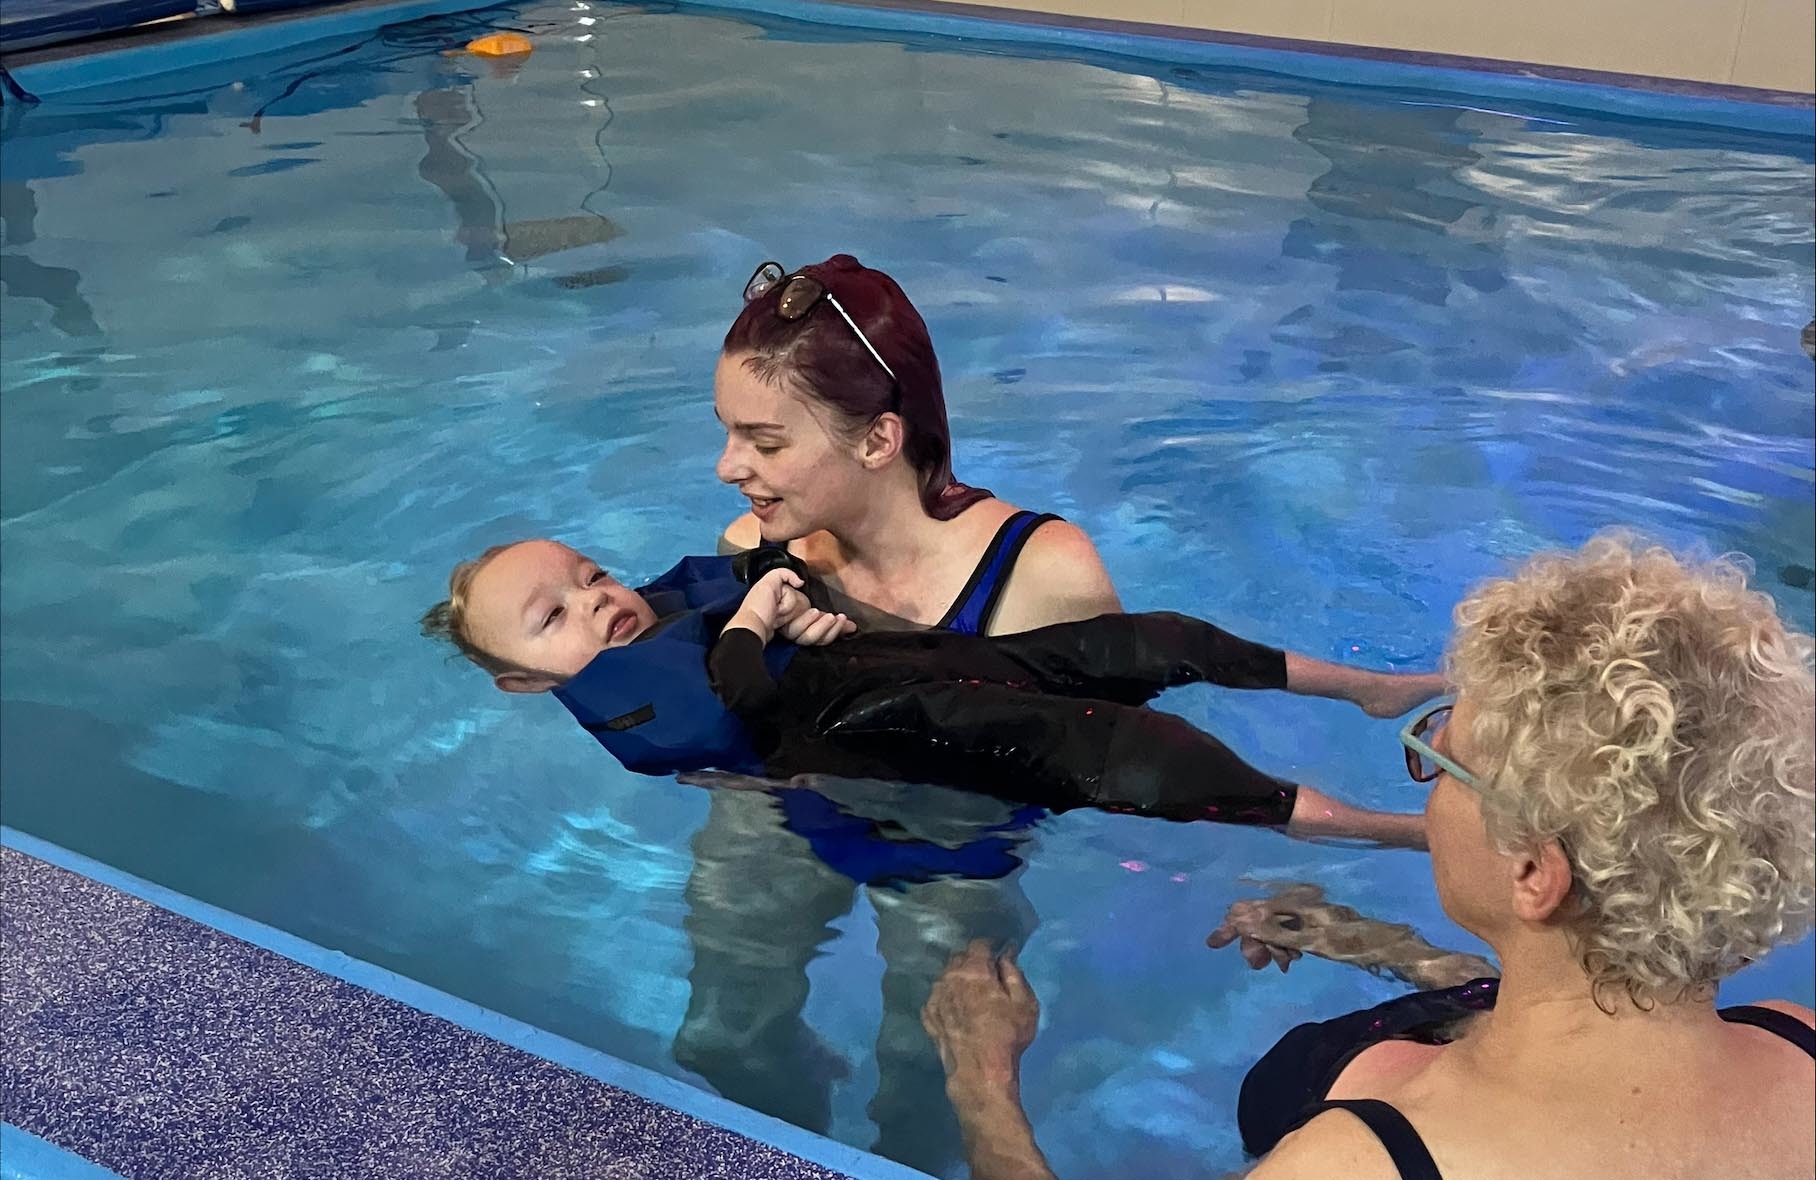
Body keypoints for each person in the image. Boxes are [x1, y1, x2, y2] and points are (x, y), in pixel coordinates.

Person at [922, 532, 1815, 1180]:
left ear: (1535, 873)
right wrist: (1373, 946)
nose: (1424, 775)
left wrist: (982, 1080)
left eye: (1442, 757)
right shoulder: (1796, 1045)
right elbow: (1591, 1008)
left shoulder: (1354, 1165)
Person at [421, 537, 1438, 844]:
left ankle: (1372, 689)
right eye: (554, 617)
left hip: (916, 667)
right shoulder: (631, 711)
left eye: (590, 576)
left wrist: (787, 587)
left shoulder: (653, 610)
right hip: (896, 733)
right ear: (521, 682)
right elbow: (733, 700)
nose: (596, 604)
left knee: (1161, 638)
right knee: (1151, 760)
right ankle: (1406, 831)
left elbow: (749, 568)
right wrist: (758, 621)